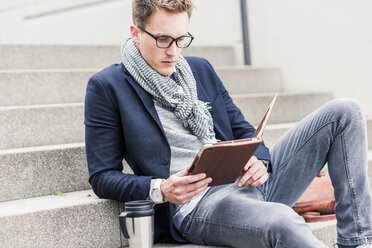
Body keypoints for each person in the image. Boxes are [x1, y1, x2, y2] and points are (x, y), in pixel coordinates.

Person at [84, 0, 372, 247]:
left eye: (181, 39)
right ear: (135, 33)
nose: (173, 51)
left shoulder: (200, 70)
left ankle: (356, 241)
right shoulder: (108, 87)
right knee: (283, 220)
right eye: (162, 39)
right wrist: (161, 188)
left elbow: (244, 132)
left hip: (246, 182)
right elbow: (102, 177)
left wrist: (260, 161)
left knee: (344, 112)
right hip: (197, 203)